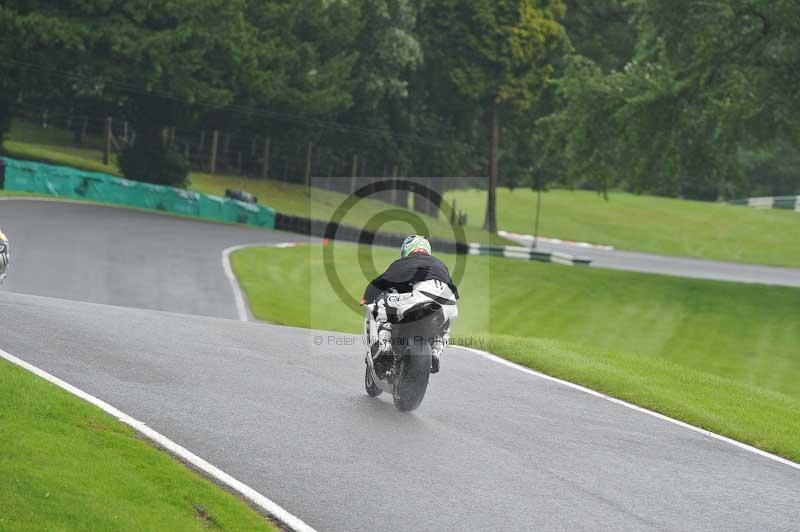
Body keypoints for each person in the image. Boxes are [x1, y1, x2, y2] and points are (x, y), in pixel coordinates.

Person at [363, 235, 459, 374]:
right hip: (449, 305)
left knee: (382, 303)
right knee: (444, 329)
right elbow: (454, 291)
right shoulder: (440, 264)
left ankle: (386, 348)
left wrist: (367, 298)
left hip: (420, 298)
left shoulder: (405, 262)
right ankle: (435, 353)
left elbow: (379, 283)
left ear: (406, 250)